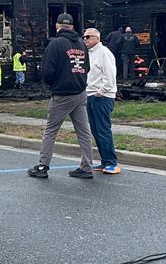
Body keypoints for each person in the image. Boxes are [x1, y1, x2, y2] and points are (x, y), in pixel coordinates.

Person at [27, 13, 94, 180]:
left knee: (50, 131)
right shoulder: (81, 43)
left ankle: (43, 165)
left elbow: (47, 71)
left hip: (62, 93)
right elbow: (87, 67)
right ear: (72, 26)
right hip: (80, 92)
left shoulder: (55, 43)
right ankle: (87, 167)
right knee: (84, 132)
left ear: (57, 26)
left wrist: (53, 84)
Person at [83, 28, 121, 174]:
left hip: (102, 96)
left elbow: (110, 74)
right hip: (90, 94)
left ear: (97, 38)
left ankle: (112, 162)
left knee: (103, 129)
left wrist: (102, 91)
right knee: (95, 130)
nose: (85, 39)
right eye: (84, 37)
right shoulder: (89, 54)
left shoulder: (104, 53)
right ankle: (105, 161)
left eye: (88, 37)